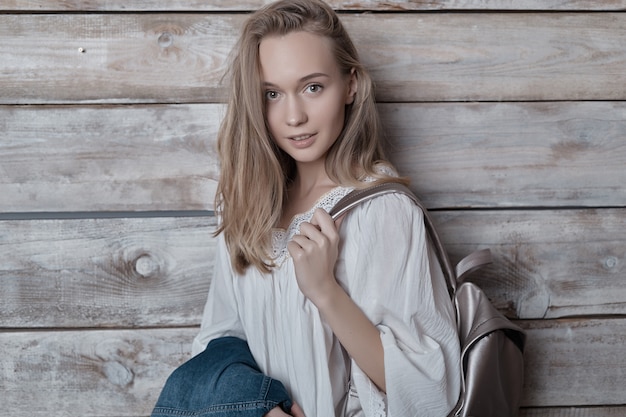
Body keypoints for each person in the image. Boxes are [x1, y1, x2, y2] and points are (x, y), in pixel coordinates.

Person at [152, 0, 460, 416]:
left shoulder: (382, 211)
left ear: (350, 85)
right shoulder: (247, 208)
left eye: (313, 87)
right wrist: (258, 409)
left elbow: (431, 391)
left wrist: (324, 291)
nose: (294, 115)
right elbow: (219, 342)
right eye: (272, 94)